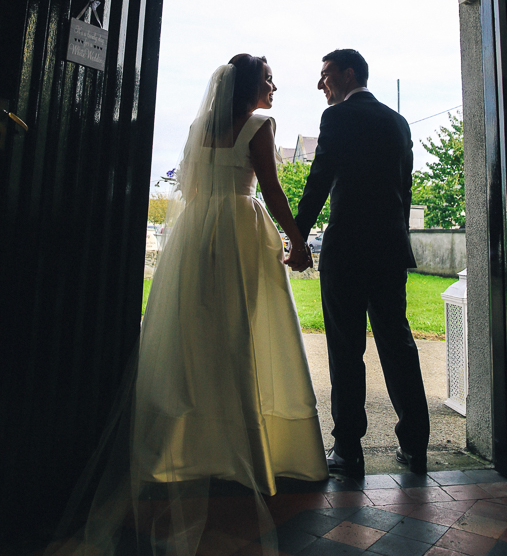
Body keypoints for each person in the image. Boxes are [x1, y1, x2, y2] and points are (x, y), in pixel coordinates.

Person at [52, 55, 327, 556]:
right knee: (243, 335)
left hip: (199, 234)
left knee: (196, 339)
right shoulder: (261, 124)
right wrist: (297, 241)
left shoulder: (201, 125)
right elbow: (269, 186)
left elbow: (190, 187)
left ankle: (185, 451)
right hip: (242, 232)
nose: (275, 87)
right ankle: (253, 455)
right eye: (268, 79)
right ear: (249, 87)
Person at [295, 49, 430, 478]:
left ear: (348, 74)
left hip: (348, 250)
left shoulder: (337, 118)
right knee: (398, 343)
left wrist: (297, 236)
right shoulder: (397, 121)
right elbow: (403, 189)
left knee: (346, 349)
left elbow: (318, 181)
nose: (321, 84)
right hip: (390, 249)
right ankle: (415, 444)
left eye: (326, 75)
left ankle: (349, 450)